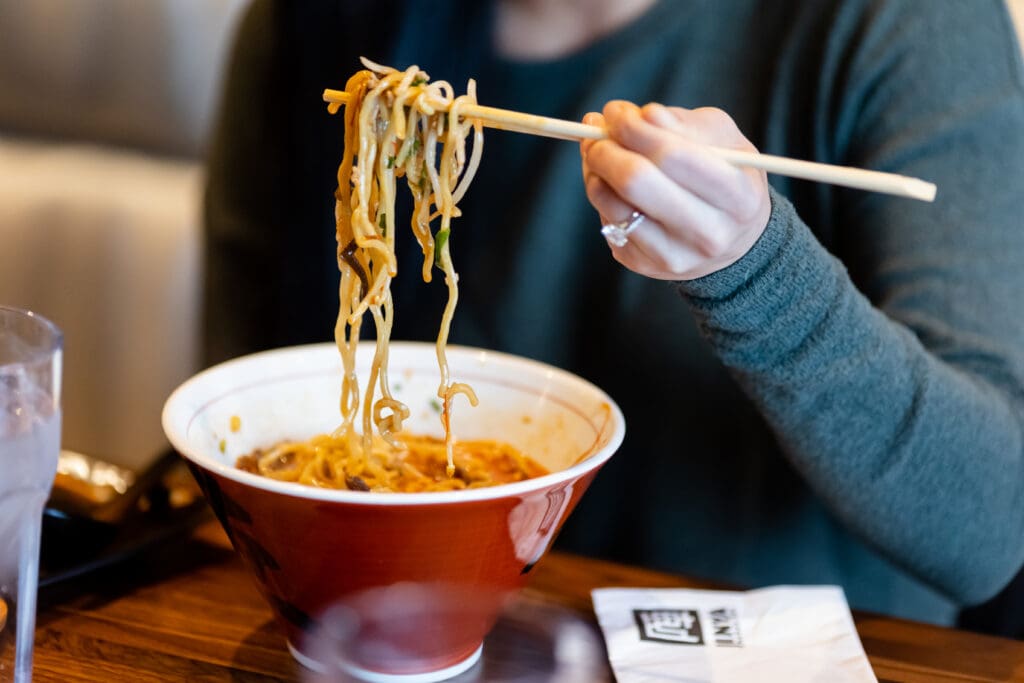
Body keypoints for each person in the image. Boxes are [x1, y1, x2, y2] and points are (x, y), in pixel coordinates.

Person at [203, 0, 1024, 627]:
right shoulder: (310, 24)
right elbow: (240, 424)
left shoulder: (903, 24)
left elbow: (992, 520)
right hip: (389, 643)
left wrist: (756, 269)